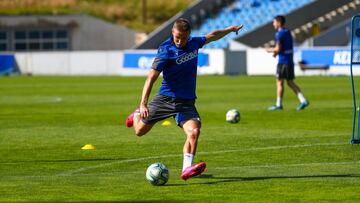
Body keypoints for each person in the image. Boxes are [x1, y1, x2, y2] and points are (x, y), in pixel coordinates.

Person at [125, 18, 242, 180]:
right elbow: (151, 77)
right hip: (165, 99)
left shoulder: (194, 43)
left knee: (194, 132)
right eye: (177, 37)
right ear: (173, 33)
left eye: (184, 38)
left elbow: (212, 36)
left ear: (189, 35)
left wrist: (229, 29)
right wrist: (143, 104)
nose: (180, 41)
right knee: (139, 131)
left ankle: (186, 169)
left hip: (186, 103)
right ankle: (137, 114)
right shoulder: (166, 50)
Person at [266, 15, 309, 111]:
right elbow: (285, 47)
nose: (273, 24)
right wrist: (276, 53)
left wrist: (270, 50)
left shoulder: (279, 34)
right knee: (290, 82)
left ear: (278, 22)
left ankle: (278, 105)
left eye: (274, 22)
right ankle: (303, 100)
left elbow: (278, 48)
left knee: (279, 82)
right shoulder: (287, 32)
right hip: (289, 60)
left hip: (283, 62)